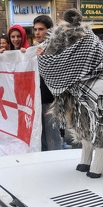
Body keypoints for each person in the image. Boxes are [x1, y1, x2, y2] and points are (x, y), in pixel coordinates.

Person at [34, 15, 63, 151]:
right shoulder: (33, 49)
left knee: (53, 137)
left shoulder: (57, 48)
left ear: (49, 30)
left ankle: (58, 164)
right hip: (37, 100)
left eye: (41, 29)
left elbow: (61, 72)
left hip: (51, 100)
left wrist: (45, 57)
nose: (37, 33)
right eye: (35, 29)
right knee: (40, 136)